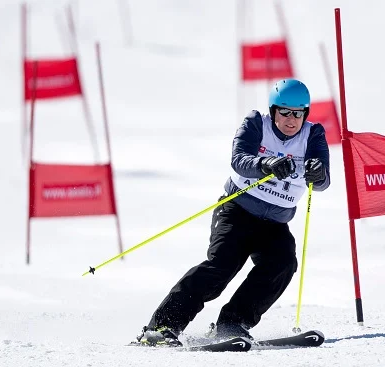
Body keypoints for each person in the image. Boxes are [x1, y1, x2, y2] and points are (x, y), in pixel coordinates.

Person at [136, 79, 331, 346]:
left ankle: (233, 322)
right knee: (221, 267)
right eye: (284, 111)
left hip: (274, 224)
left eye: (298, 113)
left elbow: (322, 180)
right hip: (237, 211)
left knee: (282, 263)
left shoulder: (313, 134)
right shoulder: (255, 123)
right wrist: (266, 164)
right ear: (273, 110)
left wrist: (317, 173)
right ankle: (162, 327)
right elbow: (239, 159)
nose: (291, 119)